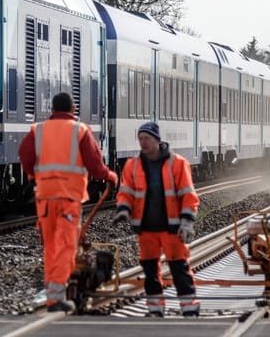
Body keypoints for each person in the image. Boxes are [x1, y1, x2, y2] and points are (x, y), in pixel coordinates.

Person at [18, 92, 118, 313]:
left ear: (52, 110)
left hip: (44, 198)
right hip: (68, 198)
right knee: (66, 245)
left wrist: (34, 175)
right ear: (73, 110)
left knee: (51, 245)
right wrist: (110, 176)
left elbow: (24, 155)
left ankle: (54, 293)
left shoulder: (38, 130)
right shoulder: (80, 130)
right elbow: (95, 164)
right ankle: (56, 296)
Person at [113, 122, 200, 317]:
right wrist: (123, 210)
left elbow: (188, 195)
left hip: (172, 228)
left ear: (157, 140)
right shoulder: (132, 165)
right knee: (150, 271)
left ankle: (190, 309)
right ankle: (155, 310)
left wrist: (187, 221)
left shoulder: (177, 163)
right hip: (146, 229)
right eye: (141, 138)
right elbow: (126, 192)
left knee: (179, 269)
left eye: (147, 138)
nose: (143, 142)